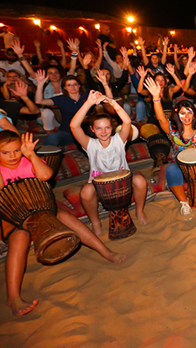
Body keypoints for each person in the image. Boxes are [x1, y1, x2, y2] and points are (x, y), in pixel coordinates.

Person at [0, 131, 126, 316]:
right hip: (12, 216)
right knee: (20, 236)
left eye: (17, 150)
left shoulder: (27, 161)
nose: (12, 156)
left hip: (41, 208)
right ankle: (13, 296)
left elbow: (45, 176)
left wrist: (31, 155)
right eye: (5, 153)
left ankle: (105, 251)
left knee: (65, 217)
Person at [144, 73, 196, 220]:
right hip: (181, 168)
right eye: (183, 113)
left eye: (189, 112)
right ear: (178, 116)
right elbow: (161, 119)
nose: (187, 116)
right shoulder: (173, 133)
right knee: (171, 170)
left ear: (194, 114)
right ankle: (184, 203)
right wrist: (156, 98)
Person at [70, 91, 148, 235]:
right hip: (99, 185)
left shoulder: (119, 140)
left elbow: (127, 122)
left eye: (107, 127)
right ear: (92, 130)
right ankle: (96, 222)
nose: (103, 131)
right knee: (86, 192)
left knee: (140, 181)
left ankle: (139, 211)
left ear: (112, 128)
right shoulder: (90, 144)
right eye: (99, 128)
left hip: (123, 181)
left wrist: (111, 102)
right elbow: (74, 126)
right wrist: (88, 103)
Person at [35, 71, 94, 147]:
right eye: (69, 85)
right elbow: (39, 101)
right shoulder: (62, 99)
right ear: (65, 88)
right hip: (67, 132)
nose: (72, 87)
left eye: (75, 84)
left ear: (79, 85)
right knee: (52, 136)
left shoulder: (87, 96)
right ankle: (47, 157)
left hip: (85, 132)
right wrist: (40, 84)